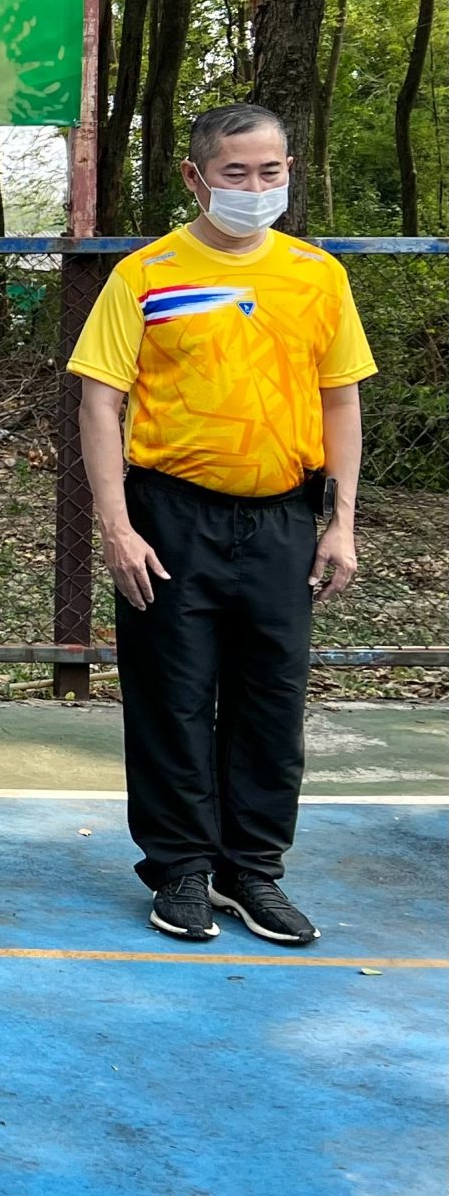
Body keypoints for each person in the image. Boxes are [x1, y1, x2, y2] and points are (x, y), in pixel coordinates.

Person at [67, 104, 372, 947]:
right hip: (171, 514)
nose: (255, 186)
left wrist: (341, 521)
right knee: (170, 695)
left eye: (270, 170)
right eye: (235, 172)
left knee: (272, 698)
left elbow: (342, 398)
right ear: (195, 177)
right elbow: (99, 401)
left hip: (283, 518)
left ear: (289, 171)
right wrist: (117, 524)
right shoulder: (146, 273)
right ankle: (181, 868)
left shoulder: (317, 276)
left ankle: (252, 871)